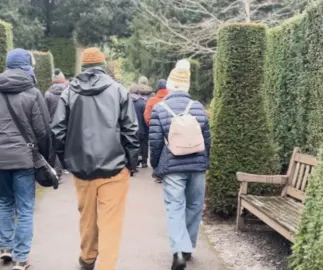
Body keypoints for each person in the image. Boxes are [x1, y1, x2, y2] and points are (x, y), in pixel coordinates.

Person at [51, 47, 139, 270]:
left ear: (83, 68)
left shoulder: (69, 93)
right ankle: (106, 266)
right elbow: (131, 130)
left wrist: (68, 159)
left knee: (87, 217)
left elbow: (57, 131)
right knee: (111, 223)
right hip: (115, 168)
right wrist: (131, 163)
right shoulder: (119, 91)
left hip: (82, 168)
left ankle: (88, 257)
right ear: (102, 65)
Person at [0, 48, 52, 270]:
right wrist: (43, 157)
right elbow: (43, 131)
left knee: (5, 200)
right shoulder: (33, 92)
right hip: (24, 158)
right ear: (27, 66)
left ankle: (6, 248)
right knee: (25, 208)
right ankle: (21, 257)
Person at [149, 61, 211, 270]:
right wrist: (205, 163)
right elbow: (207, 139)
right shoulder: (198, 108)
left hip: (173, 166)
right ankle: (188, 248)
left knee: (174, 207)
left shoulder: (160, 108)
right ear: (187, 86)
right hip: (197, 166)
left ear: (170, 85)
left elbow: (156, 142)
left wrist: (156, 166)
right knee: (194, 206)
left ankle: (178, 251)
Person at [45, 68, 68, 179]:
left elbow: (45, 110)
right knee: (63, 145)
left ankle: (52, 169)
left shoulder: (48, 94)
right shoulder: (68, 92)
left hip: (51, 123)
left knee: (53, 147)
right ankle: (59, 171)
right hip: (65, 124)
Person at [130, 80, 149, 169]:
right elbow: (145, 116)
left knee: (133, 145)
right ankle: (144, 162)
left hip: (131, 129)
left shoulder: (127, 102)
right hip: (142, 128)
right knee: (144, 144)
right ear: (138, 92)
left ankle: (135, 162)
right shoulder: (142, 103)